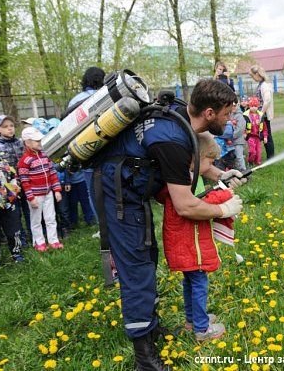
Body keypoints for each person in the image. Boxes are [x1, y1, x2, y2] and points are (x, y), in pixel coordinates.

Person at [93, 80, 245, 370]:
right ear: (210, 113)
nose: (231, 120)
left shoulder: (179, 115)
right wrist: (223, 208)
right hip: (118, 195)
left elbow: (190, 166)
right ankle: (145, 359)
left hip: (132, 193)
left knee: (147, 259)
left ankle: (151, 330)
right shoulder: (171, 139)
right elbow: (185, 205)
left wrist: (221, 175)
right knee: (137, 268)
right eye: (228, 114)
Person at [156, 132, 231, 341]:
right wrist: (227, 196)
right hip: (190, 242)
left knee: (190, 281)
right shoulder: (187, 180)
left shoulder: (180, 178)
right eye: (209, 161)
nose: (211, 166)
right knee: (199, 282)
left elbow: (202, 196)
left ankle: (193, 320)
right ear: (195, 158)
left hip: (182, 241)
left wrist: (224, 180)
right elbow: (203, 202)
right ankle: (202, 329)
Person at [63, 67, 106, 225]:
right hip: (110, 152)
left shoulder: (76, 100)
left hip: (87, 153)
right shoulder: (107, 95)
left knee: (93, 192)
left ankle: (103, 230)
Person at [17, 127, 63, 252]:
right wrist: (31, 198)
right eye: (36, 141)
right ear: (27, 143)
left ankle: (53, 240)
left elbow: (52, 173)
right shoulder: (24, 161)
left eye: (40, 140)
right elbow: (24, 181)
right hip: (36, 196)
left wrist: (57, 190)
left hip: (48, 193)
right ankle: (39, 242)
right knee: (36, 220)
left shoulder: (44, 156)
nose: (39, 142)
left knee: (50, 218)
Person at [0, 129, 24, 272]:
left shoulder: (3, 160)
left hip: (8, 205)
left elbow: (13, 176)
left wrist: (14, 189)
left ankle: (16, 253)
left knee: (14, 231)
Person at [0, 114, 31, 246]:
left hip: (25, 182)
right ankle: (20, 240)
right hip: (9, 186)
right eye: (5, 127)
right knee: (15, 214)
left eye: (11, 126)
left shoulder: (20, 142)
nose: (10, 129)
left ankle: (34, 235)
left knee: (29, 210)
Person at [249, 65, 275, 159]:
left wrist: (261, 113)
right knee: (263, 135)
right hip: (260, 115)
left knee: (266, 135)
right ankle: (259, 155)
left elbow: (267, 100)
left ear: (257, 74)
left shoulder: (264, 85)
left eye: (252, 76)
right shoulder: (261, 84)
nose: (253, 78)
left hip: (263, 116)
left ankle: (271, 157)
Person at [243, 96, 268, 167]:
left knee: (258, 151)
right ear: (249, 106)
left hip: (258, 137)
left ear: (258, 106)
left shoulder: (260, 116)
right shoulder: (246, 115)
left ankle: (257, 163)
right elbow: (243, 126)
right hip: (250, 136)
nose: (253, 107)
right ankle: (250, 161)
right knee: (252, 151)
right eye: (252, 106)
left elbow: (264, 128)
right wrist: (244, 133)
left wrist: (265, 136)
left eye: (255, 106)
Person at [230, 101, 247, 171]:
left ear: (238, 105)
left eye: (234, 105)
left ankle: (243, 170)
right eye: (231, 106)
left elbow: (240, 129)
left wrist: (232, 136)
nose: (233, 107)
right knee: (234, 156)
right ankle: (237, 169)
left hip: (238, 140)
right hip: (231, 140)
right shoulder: (230, 115)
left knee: (239, 156)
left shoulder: (239, 116)